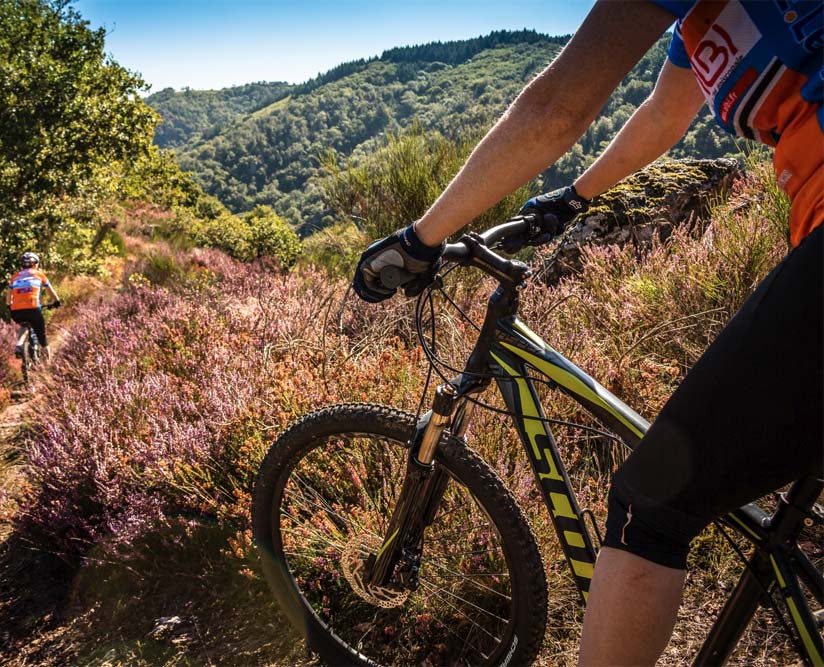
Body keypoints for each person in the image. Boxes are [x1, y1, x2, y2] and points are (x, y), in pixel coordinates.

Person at [352, 2, 822, 664]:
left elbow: (556, 108)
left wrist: (418, 240)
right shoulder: (702, 27)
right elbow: (664, 112)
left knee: (649, 505)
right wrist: (570, 198)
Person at [7, 251, 60, 359]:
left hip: (16, 310)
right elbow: (51, 291)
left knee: (24, 325)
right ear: (35, 264)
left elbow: (8, 295)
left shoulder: (15, 276)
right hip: (33, 308)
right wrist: (57, 301)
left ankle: (19, 344)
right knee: (42, 337)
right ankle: (48, 364)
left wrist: (9, 305)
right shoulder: (39, 275)